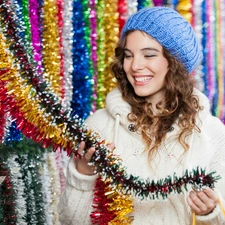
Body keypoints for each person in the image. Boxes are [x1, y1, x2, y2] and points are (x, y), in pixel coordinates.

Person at [58, 6, 225, 225]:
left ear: (175, 62)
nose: (135, 66)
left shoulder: (212, 134)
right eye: (128, 56)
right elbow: (70, 221)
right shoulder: (99, 126)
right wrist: (83, 174)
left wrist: (210, 213)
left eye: (149, 55)